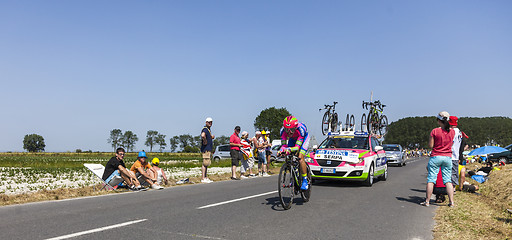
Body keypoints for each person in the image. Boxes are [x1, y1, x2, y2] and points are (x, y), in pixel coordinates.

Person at [422, 111, 455, 207]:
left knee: (431, 179)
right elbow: (451, 144)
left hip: (436, 156)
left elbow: (431, 145)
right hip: (448, 157)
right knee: (448, 180)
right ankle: (451, 202)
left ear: (439, 120)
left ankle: (427, 201)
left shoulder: (435, 131)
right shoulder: (452, 132)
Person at [278, 116, 311, 190]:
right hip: (292, 139)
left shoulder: (301, 130)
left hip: (303, 139)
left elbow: (297, 147)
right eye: (287, 129)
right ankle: (294, 175)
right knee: (288, 157)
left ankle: (305, 180)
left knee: (300, 157)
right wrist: (281, 151)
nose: (289, 132)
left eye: (292, 129)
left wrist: (289, 149)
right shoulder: (282, 131)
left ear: (295, 127)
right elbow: (284, 146)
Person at [449, 116, 462, 190]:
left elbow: (451, 142)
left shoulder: (452, 131)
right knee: (454, 172)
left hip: (451, 154)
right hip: (456, 154)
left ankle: (452, 189)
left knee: (451, 173)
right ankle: (453, 188)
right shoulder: (459, 131)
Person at [200, 117, 215, 183]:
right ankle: (203, 178)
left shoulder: (208, 129)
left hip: (208, 148)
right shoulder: (205, 129)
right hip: (206, 148)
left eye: (211, 122)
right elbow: (203, 135)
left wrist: (211, 137)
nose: (210, 123)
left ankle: (205, 177)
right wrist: (205, 141)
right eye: (209, 122)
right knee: (205, 163)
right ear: (206, 122)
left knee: (207, 163)